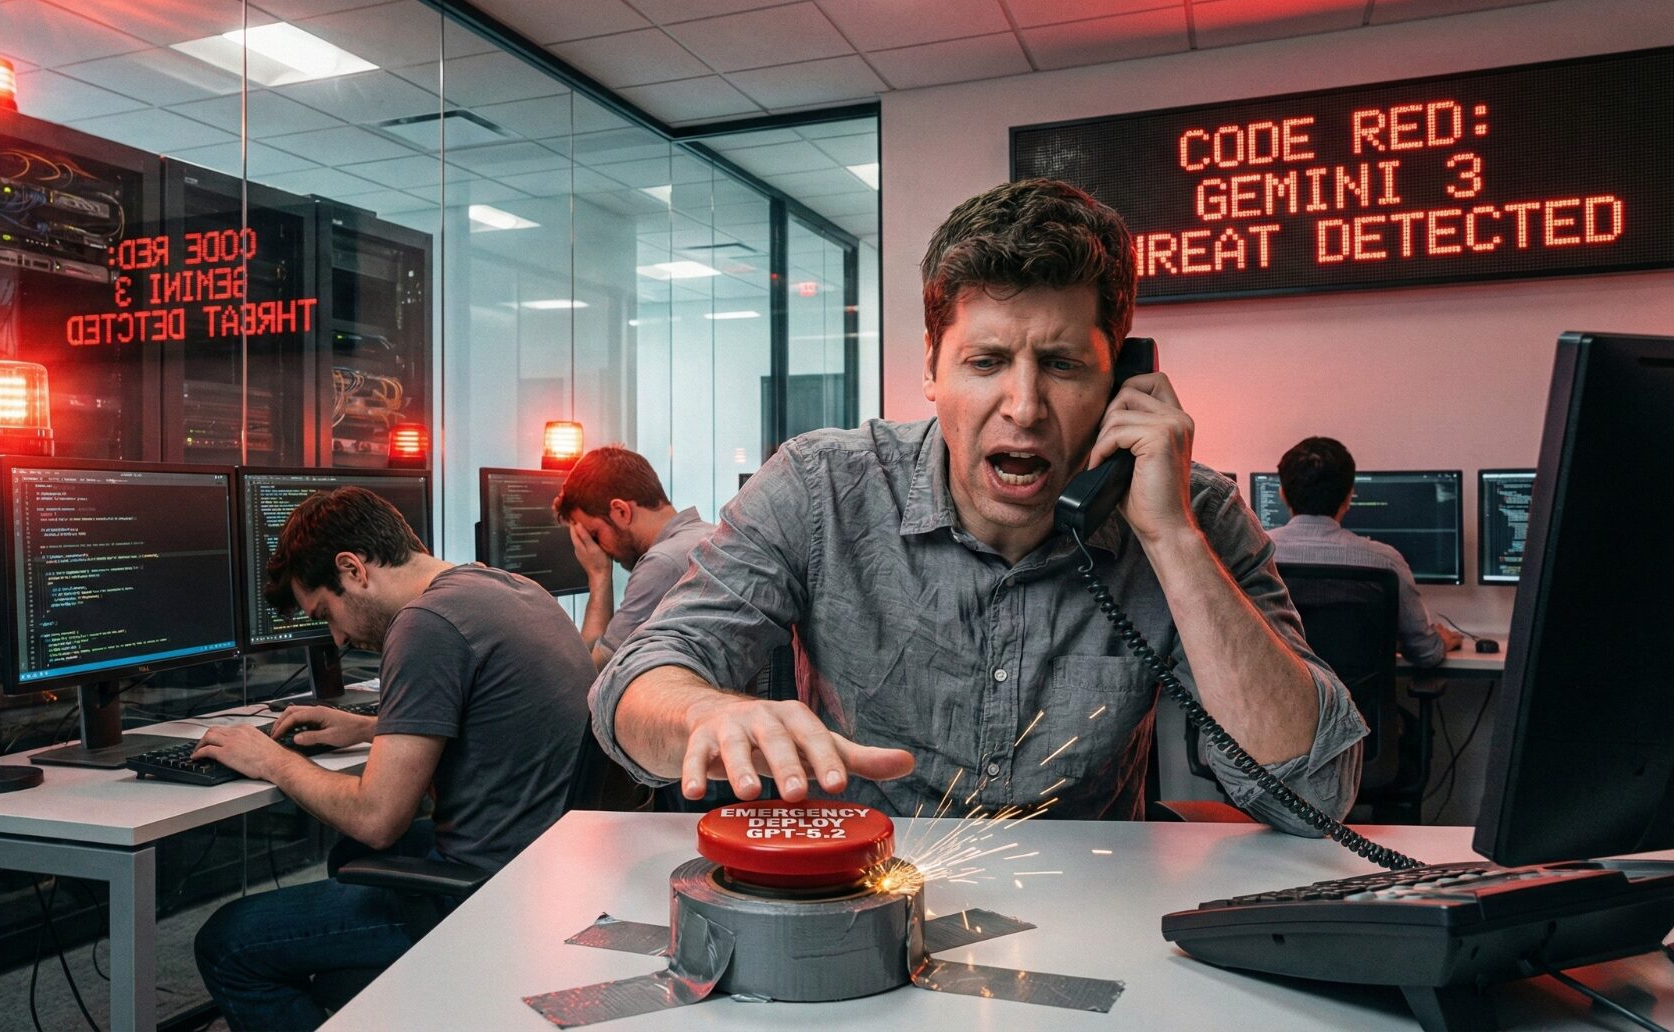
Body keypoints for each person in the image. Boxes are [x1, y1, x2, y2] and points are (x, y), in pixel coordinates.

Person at [590, 177, 1368, 832]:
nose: (1023, 407)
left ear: (1124, 378)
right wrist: (706, 717)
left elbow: (1316, 796)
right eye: (986, 361)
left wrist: (1171, 541)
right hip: (863, 894)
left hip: (1093, 912)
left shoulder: (1194, 512)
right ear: (932, 367)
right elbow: (631, 688)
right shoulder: (820, 485)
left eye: (1062, 364)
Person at [190, 487, 594, 1031]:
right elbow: (497, 718)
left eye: (327, 613)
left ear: (353, 569)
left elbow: (377, 818)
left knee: (227, 941)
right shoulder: (508, 587)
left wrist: (269, 759)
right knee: (348, 859)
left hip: (493, 895)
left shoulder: (425, 623)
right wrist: (372, 726)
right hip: (554, 867)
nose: (335, 638)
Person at [1265, 436, 1463, 667]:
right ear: (1349, 498)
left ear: (1282, 494)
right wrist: (1443, 641)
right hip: (1357, 702)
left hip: (1276, 699)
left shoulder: (1254, 555)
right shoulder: (1385, 562)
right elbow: (1426, 655)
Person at [554, 445, 716, 670]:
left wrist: (598, 575)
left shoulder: (662, 564)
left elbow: (592, 675)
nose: (597, 549)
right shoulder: (709, 536)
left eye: (594, 535)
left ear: (621, 511)